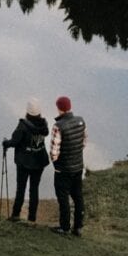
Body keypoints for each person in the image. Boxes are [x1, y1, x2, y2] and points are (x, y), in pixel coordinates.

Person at [1, 97, 49, 223]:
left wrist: (6, 143)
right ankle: (31, 218)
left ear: (27, 111)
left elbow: (15, 141)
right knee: (34, 189)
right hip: (39, 161)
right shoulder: (44, 125)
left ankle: (16, 215)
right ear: (39, 111)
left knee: (21, 188)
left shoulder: (23, 126)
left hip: (24, 162)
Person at [49, 95, 87, 237]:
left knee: (63, 197)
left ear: (59, 108)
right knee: (78, 196)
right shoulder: (81, 121)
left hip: (63, 169)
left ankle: (64, 227)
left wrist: (56, 164)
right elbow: (83, 143)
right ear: (70, 107)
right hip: (78, 167)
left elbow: (54, 152)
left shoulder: (58, 126)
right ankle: (78, 227)